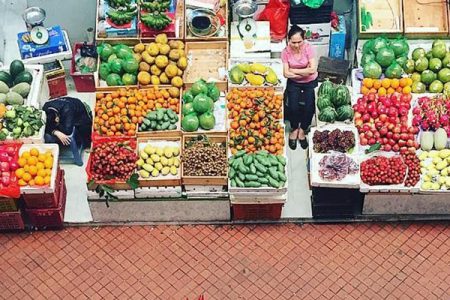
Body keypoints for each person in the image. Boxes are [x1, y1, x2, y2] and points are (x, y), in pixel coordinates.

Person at [281, 25, 318, 150]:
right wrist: (304, 71)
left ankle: (303, 129)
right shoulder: (285, 52)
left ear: (304, 40)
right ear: (288, 40)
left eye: (299, 42)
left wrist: (294, 70)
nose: (296, 45)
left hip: (309, 81)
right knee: (293, 106)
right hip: (294, 82)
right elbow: (286, 73)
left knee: (310, 106)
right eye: (293, 42)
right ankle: (295, 128)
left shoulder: (308, 48)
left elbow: (313, 70)